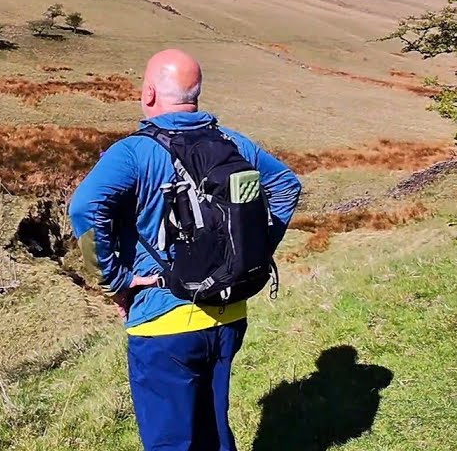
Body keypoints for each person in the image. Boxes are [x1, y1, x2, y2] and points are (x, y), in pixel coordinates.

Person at [69, 48, 302, 451]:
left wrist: (114, 280)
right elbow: (286, 185)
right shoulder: (232, 142)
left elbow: (85, 207)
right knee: (214, 430)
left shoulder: (133, 152)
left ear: (149, 93)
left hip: (163, 321)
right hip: (228, 313)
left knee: (171, 442)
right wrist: (254, 253)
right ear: (195, 93)